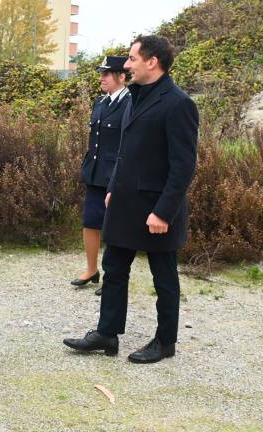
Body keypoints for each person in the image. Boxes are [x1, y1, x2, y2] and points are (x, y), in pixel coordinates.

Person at [63, 35, 199, 364]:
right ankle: (107, 334)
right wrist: (112, 187)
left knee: (163, 275)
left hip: (156, 209)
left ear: (152, 62)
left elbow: (183, 167)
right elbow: (124, 150)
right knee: (114, 269)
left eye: (133, 58)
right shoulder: (134, 96)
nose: (127, 65)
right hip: (124, 202)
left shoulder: (178, 103)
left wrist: (164, 212)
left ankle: (165, 341)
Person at [71, 56, 130, 295]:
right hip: (96, 173)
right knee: (90, 222)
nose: (102, 78)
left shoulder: (130, 103)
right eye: (101, 73)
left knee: (115, 228)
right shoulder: (100, 102)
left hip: (117, 176)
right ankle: (91, 269)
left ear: (122, 76)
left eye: (107, 74)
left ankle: (112, 277)